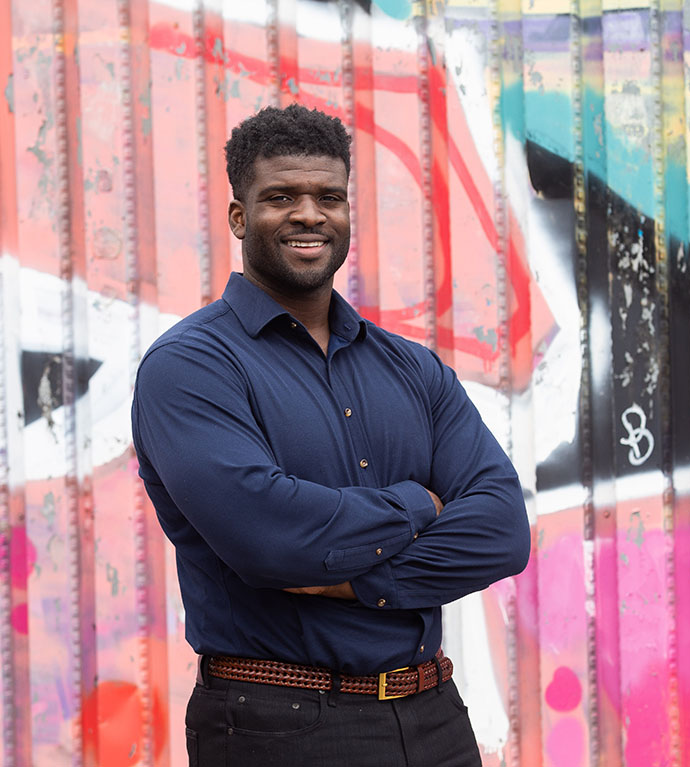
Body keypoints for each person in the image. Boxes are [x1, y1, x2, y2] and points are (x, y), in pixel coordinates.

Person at [131, 104, 530, 767]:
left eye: (329, 198)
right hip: (280, 725)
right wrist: (418, 504)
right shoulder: (191, 367)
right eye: (280, 197)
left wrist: (357, 581)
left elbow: (501, 529)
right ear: (238, 217)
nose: (309, 215)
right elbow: (270, 538)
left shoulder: (412, 368)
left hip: (434, 716)